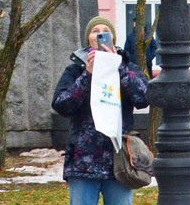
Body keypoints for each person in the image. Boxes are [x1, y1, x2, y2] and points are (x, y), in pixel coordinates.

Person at [52, 16, 149, 205]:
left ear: (112, 37)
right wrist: (87, 76)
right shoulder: (75, 70)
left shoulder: (127, 67)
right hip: (83, 162)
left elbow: (144, 98)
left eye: (105, 30)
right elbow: (61, 105)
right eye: (95, 31)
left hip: (119, 160)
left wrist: (118, 67)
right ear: (88, 39)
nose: (100, 34)